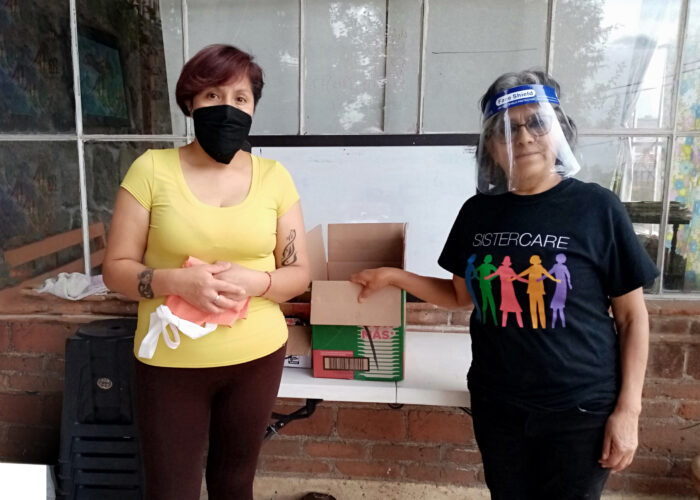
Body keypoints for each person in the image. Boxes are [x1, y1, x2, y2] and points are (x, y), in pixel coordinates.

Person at [350, 70, 658, 499]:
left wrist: (629, 410)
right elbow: (460, 296)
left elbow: (632, 318)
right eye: (507, 129)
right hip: (499, 403)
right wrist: (394, 277)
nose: (525, 137)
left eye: (537, 122)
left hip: (580, 407)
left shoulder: (596, 207)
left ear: (560, 131)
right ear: (490, 149)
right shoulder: (478, 212)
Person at [103, 44, 310, 500]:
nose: (228, 108)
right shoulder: (151, 170)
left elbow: (299, 272)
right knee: (171, 489)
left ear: (254, 106)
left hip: (256, 356)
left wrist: (258, 282)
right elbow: (115, 271)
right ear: (190, 103)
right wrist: (175, 281)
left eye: (241, 98)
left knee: (235, 484)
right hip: (171, 361)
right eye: (213, 95)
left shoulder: (275, 176)